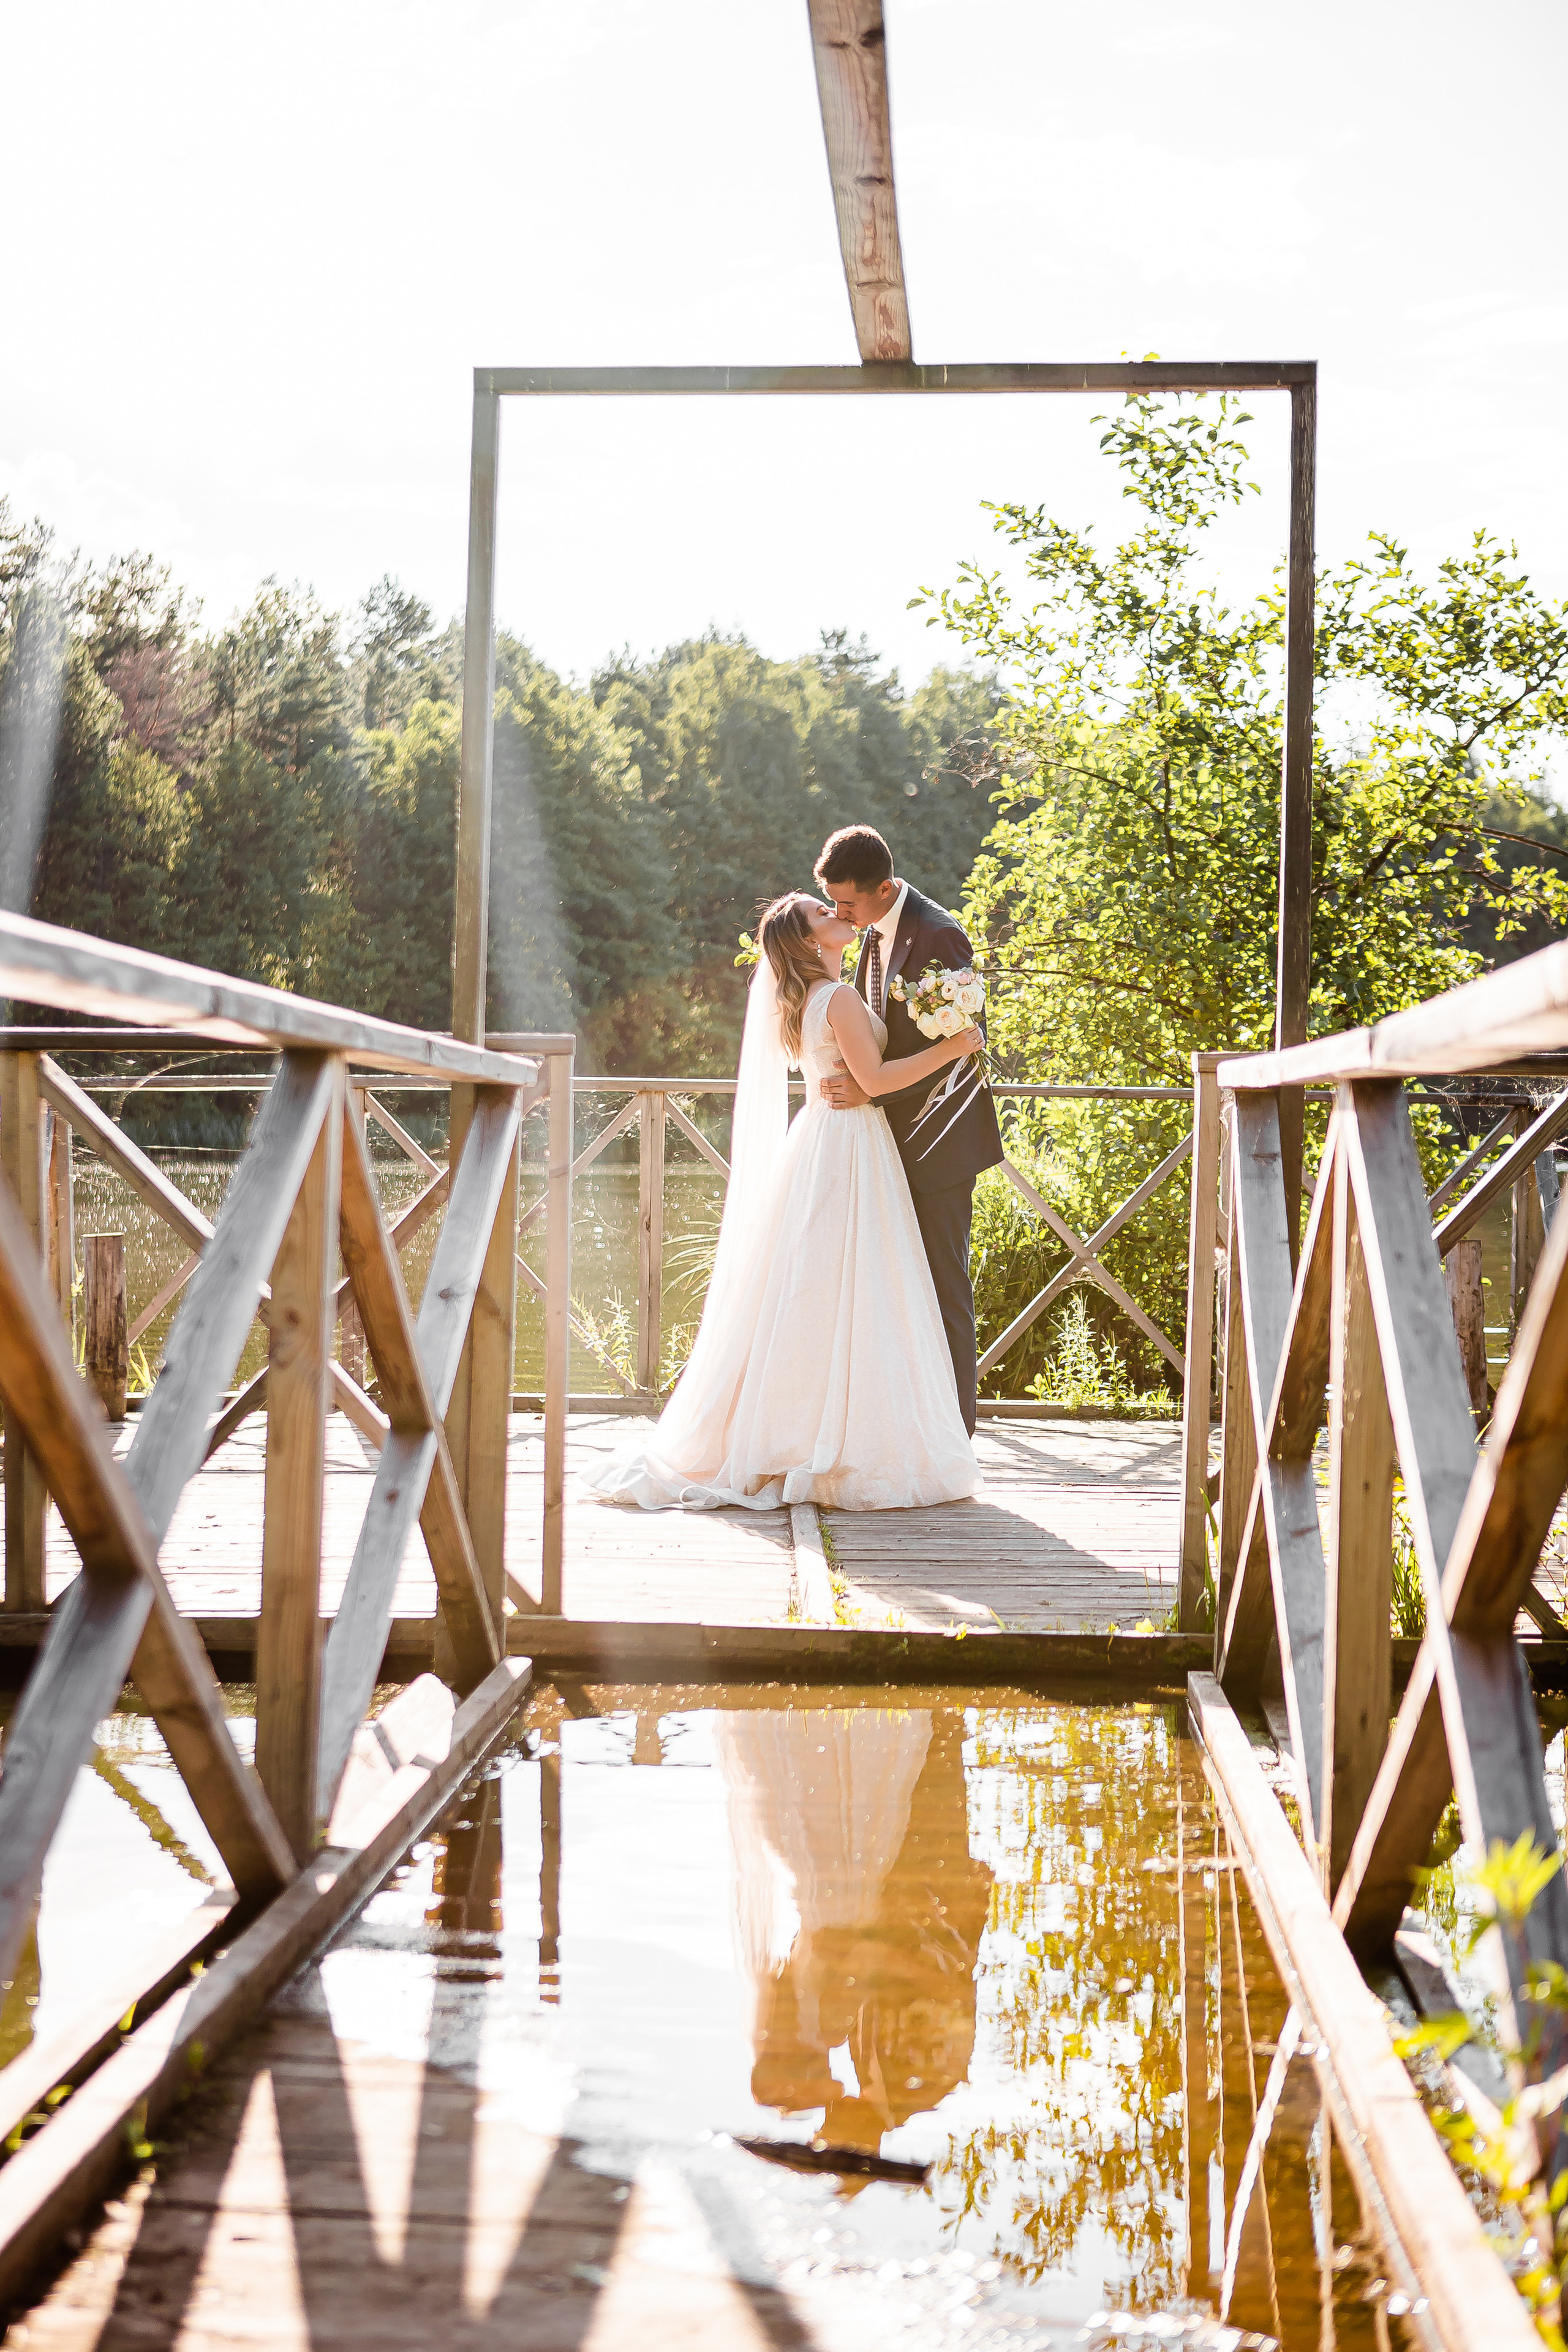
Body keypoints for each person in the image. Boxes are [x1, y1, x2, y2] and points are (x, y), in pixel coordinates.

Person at [580, 889, 981, 1512]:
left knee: (815, 1288)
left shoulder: (806, 1002)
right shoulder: (840, 998)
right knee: (857, 1285)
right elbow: (874, 1082)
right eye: (823, 914)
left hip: (821, 1138)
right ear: (806, 941)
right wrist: (951, 1049)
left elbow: (855, 1074)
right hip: (850, 1144)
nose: (837, 914)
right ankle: (835, 1433)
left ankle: (800, 1425)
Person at [812, 825, 1004, 1436]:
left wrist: (869, 1087)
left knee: (943, 1281)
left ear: (885, 887)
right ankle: (901, 1423)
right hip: (882, 1141)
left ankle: (955, 1432)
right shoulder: (873, 934)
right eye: (834, 903)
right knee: (890, 1283)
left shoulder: (938, 933)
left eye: (848, 903)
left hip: (938, 1138)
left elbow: (955, 1048)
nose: (840, 913)